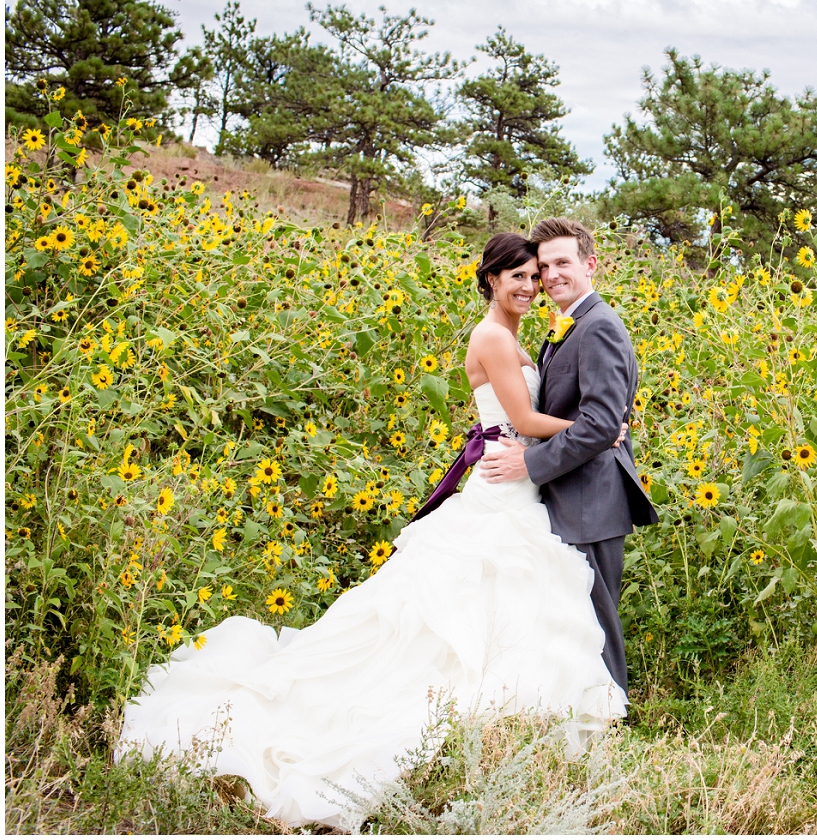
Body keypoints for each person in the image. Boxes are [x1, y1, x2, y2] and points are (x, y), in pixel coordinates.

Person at [118, 232, 631, 831]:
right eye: (520, 274)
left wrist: (586, 429)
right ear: (489, 279)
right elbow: (522, 419)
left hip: (523, 486)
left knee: (529, 603)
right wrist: (599, 427)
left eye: (538, 272)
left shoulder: (551, 330)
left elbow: (544, 414)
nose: (532, 283)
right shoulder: (495, 336)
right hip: (508, 485)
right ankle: (505, 718)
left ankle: (527, 721)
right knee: (477, 606)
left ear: (581, 268)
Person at [478, 217, 657, 698]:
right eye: (542, 267)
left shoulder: (597, 327)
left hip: (591, 498)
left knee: (595, 619)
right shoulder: (568, 326)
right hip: (569, 493)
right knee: (571, 617)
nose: (549, 276)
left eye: (562, 263)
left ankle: (610, 719)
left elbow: (601, 426)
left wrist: (528, 463)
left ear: (590, 265)